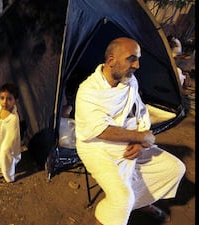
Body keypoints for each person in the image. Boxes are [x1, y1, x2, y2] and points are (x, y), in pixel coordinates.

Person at [74, 37, 185, 225]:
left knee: (174, 169)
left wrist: (140, 142)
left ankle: (138, 202)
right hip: (96, 149)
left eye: (138, 58)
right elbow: (99, 130)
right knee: (121, 200)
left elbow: (140, 111)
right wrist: (142, 136)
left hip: (128, 143)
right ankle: (117, 208)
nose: (137, 65)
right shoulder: (88, 91)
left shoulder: (130, 81)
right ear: (111, 61)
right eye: (131, 58)